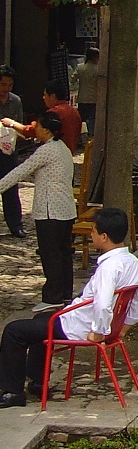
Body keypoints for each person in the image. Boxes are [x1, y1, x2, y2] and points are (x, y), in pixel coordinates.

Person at [0, 206, 138, 408]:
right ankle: (38, 382)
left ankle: (13, 391)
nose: (91, 234)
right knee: (40, 321)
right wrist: (124, 327)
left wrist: (98, 333)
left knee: (13, 331)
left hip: (81, 326)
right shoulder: (136, 263)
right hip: (91, 320)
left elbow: (103, 305)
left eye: (93, 230)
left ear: (103, 236)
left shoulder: (110, 267)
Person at [0, 111, 76, 310]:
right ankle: (65, 293)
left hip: (51, 210)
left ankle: (52, 296)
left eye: (39, 127)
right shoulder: (63, 148)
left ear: (47, 130)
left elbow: (21, 171)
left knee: (51, 253)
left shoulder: (47, 150)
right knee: (63, 253)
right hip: (66, 209)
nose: (37, 130)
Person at [7, 81, 81, 152]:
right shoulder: (74, 112)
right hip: (68, 154)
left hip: (54, 155)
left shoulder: (54, 113)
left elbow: (32, 131)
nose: (43, 97)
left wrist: (11, 123)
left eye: (45, 94)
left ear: (52, 96)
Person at [0, 66, 26, 237]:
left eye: (9, 85)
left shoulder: (15, 101)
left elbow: (20, 126)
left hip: (8, 152)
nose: (6, 88)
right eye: (3, 84)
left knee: (10, 188)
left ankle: (15, 225)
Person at [72, 48, 99, 138]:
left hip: (82, 97)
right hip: (94, 98)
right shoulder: (98, 69)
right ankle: (91, 136)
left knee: (81, 118)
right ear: (94, 57)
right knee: (92, 118)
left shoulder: (80, 67)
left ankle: (77, 134)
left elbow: (73, 79)